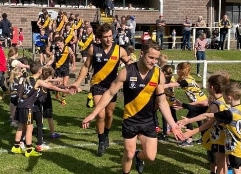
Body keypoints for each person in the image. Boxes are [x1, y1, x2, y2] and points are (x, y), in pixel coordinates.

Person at [81, 40, 184, 174]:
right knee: (128, 154)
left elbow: (162, 102)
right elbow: (110, 93)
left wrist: (173, 125)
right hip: (130, 120)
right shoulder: (127, 72)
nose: (153, 61)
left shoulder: (158, 75)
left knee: (151, 156)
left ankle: (138, 156)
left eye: (156, 59)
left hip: (148, 121)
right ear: (141, 54)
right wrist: (93, 114)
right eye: (151, 57)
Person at [72, 23, 130, 157]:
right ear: (100, 37)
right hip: (97, 86)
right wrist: (77, 82)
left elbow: (129, 64)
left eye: (110, 36)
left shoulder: (120, 50)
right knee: (100, 114)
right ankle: (101, 141)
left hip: (112, 87)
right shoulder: (94, 49)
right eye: (105, 37)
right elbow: (86, 67)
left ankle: (106, 134)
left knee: (109, 115)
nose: (108, 39)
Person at [179, 82, 241, 174]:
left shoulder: (228, 114)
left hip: (236, 148)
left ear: (229, 97)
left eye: (223, 95)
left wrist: (188, 121)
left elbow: (207, 115)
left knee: (236, 170)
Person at [10, 61, 75, 157]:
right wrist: (65, 91)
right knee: (29, 128)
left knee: (21, 126)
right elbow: (50, 86)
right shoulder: (38, 81)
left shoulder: (26, 79)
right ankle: (28, 149)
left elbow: (22, 91)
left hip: (20, 106)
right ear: (40, 71)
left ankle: (16, 146)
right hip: (28, 107)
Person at [165, 62, 208, 147]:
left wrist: (162, 85)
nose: (176, 71)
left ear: (182, 71)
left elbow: (175, 84)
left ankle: (189, 140)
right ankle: (204, 138)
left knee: (188, 119)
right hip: (202, 100)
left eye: (177, 69)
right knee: (199, 120)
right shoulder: (189, 78)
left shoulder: (185, 81)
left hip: (199, 103)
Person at [46, 36, 76, 105]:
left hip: (66, 69)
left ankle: (63, 99)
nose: (57, 45)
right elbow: (52, 59)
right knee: (58, 84)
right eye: (56, 44)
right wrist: (47, 65)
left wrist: (73, 65)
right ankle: (57, 91)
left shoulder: (68, 48)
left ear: (62, 42)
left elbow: (73, 56)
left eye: (59, 43)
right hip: (58, 69)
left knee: (65, 85)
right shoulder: (55, 50)